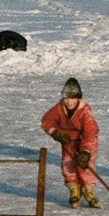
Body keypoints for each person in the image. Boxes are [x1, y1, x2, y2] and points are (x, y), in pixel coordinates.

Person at [41, 78, 100, 208]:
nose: (69, 101)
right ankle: (74, 189)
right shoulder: (59, 108)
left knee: (84, 166)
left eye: (72, 98)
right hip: (68, 142)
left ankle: (88, 190)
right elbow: (46, 120)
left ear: (78, 98)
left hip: (86, 142)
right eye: (66, 98)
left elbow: (90, 133)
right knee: (68, 165)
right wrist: (55, 133)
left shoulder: (85, 111)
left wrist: (86, 152)